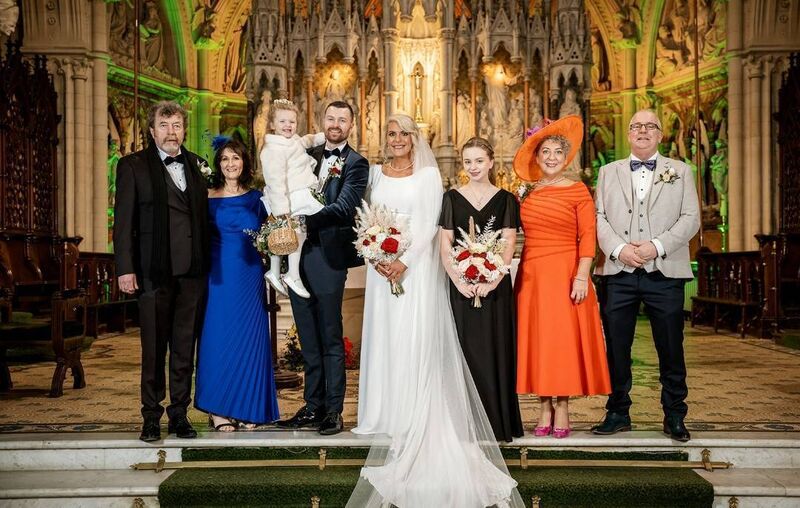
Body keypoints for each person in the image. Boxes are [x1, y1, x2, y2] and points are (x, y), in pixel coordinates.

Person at [349, 115, 522, 508]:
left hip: (416, 267)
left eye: (402, 134)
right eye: (390, 134)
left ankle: (409, 412)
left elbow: (431, 226)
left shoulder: (428, 177)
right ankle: (379, 414)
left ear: (413, 139)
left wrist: (404, 262)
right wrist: (376, 252)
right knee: (384, 340)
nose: (396, 140)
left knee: (412, 337)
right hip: (381, 268)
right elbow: (370, 220)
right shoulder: (375, 175)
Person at [593, 109, 700, 442]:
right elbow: (598, 217)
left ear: (660, 134)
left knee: (670, 345)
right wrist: (619, 249)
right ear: (628, 134)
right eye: (635, 126)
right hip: (619, 271)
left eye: (649, 126)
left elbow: (691, 218)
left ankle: (674, 415)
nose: (642, 130)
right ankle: (617, 411)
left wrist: (656, 246)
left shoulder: (681, 171)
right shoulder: (608, 172)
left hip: (664, 272)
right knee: (616, 346)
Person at [113, 101, 209, 442]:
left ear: (184, 129)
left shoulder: (199, 165)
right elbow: (123, 223)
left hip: (193, 273)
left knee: (185, 347)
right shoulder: (132, 166)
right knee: (153, 348)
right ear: (152, 130)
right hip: (153, 272)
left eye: (177, 125)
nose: (172, 132)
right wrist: (125, 268)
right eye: (165, 125)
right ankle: (151, 415)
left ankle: (179, 414)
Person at [513, 116, 611, 439]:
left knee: (562, 342)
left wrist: (582, 276)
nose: (552, 157)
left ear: (565, 157)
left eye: (557, 152)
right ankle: (543, 406)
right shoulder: (526, 192)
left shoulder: (578, 189)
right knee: (539, 341)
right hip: (532, 276)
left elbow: (588, 235)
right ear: (537, 158)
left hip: (567, 273)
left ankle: (563, 406)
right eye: (546, 152)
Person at [276, 101, 369, 436]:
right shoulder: (306, 154)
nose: (335, 124)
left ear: (351, 124)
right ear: (322, 121)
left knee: (330, 335)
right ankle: (312, 405)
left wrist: (304, 220)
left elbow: (345, 206)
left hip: (328, 256)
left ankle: (333, 409)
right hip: (296, 254)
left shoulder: (357, 164)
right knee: (308, 335)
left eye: (342, 119)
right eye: (330, 118)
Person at [438, 137, 524, 443]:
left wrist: (492, 280)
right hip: (461, 288)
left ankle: (497, 423)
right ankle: (463, 425)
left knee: (495, 349)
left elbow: (509, 242)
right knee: (464, 350)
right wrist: (459, 280)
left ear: (490, 162)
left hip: (494, 289)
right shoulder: (451, 199)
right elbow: (446, 245)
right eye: (467, 161)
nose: (473, 167)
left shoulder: (506, 200)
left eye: (478, 161)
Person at [194, 138, 280, 432]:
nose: (231, 164)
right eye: (225, 159)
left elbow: (272, 233)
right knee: (218, 337)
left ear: (244, 163)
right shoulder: (205, 197)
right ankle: (218, 410)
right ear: (219, 165)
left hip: (249, 273)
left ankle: (249, 407)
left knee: (251, 337)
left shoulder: (258, 199)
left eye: (236, 158)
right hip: (218, 276)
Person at [259, 98, 325, 298]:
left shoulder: (290, 141)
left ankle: (274, 270)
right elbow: (275, 182)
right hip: (290, 197)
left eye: (292, 122)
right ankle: (292, 274)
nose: (288, 126)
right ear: (272, 124)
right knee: (297, 234)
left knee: (286, 237)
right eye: (282, 122)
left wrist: (320, 138)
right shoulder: (273, 150)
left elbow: (303, 141)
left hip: (295, 193)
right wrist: (282, 213)